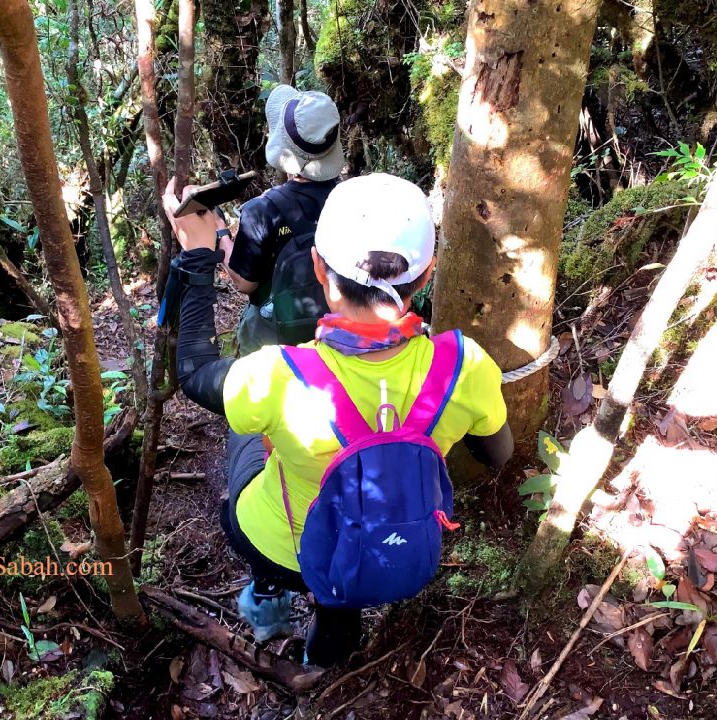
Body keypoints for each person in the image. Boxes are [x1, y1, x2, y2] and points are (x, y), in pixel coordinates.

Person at [164, 173, 515, 667]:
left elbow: (196, 371)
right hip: (391, 552)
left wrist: (200, 254)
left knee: (243, 430)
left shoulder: (276, 375)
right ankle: (327, 648)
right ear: (428, 272)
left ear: (318, 268)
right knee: (338, 597)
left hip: (279, 550)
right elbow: (496, 453)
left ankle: (268, 598)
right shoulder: (465, 366)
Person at [221, 85, 344, 354]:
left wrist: (221, 237)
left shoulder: (262, 210)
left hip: (277, 339)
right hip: (338, 331)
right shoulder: (349, 197)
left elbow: (244, 282)